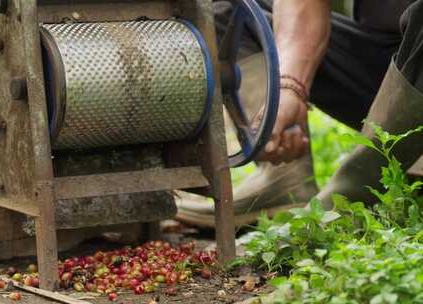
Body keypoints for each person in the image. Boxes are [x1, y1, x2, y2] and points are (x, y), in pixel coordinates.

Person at [176, 0, 423, 227]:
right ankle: (284, 179)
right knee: (229, 15)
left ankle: (353, 194)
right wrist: (289, 86)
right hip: (388, 70)